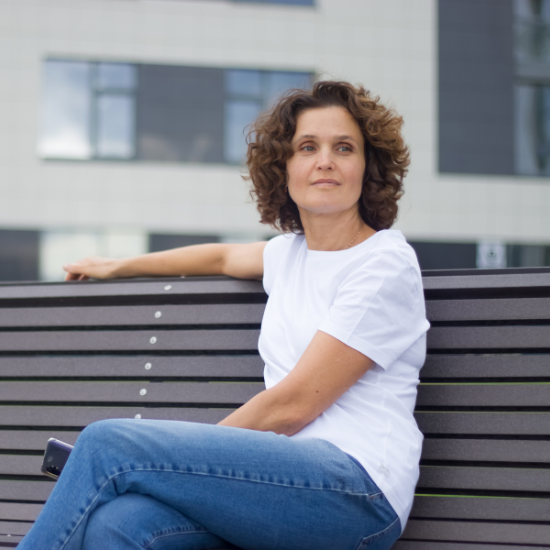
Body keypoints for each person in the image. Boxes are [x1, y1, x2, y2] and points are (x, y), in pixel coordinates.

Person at [18, 81, 429, 550]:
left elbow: (292, 408)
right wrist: (116, 265)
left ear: (367, 166)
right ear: (284, 167)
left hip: (357, 494)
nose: (325, 161)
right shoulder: (288, 256)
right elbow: (218, 258)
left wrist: (177, 463)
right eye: (307, 147)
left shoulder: (383, 263)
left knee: (107, 444)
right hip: (276, 492)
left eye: (344, 147)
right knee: (121, 523)